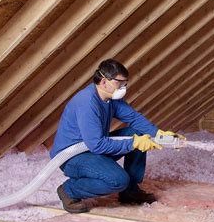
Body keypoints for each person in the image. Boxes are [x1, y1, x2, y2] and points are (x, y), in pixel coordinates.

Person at [50, 59, 184, 213]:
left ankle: (130, 191)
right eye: (119, 83)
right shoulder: (87, 103)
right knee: (118, 180)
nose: (123, 88)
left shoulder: (110, 98)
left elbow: (133, 118)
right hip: (73, 157)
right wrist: (133, 143)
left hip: (93, 150)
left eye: (125, 84)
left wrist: (157, 133)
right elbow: (97, 145)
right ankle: (69, 190)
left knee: (138, 133)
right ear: (104, 81)